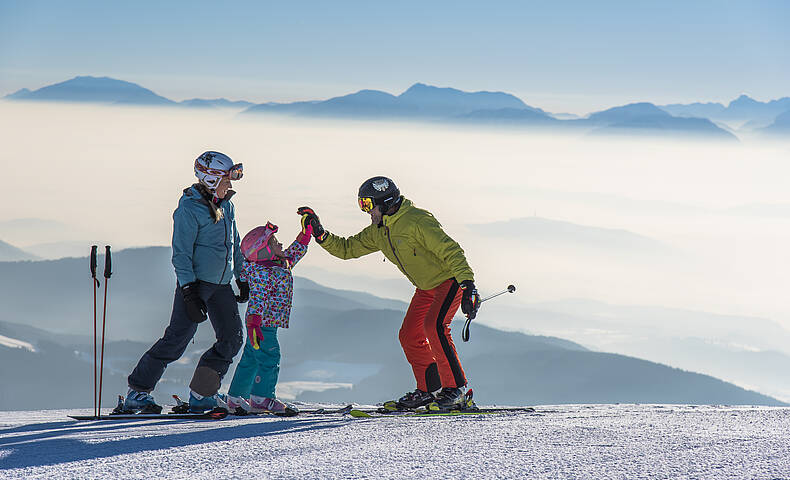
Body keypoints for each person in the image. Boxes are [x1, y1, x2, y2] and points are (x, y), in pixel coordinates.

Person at [298, 176, 481, 411]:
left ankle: (456, 390)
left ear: (384, 202)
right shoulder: (379, 230)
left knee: (434, 327)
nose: (366, 211)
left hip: (450, 281)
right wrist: (320, 233)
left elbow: (450, 249)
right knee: (409, 335)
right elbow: (347, 248)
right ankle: (429, 390)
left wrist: (468, 285)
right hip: (426, 287)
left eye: (367, 204)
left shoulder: (417, 221)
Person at [123, 151, 248, 413]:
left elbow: (234, 244)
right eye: (227, 179)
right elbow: (181, 254)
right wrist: (189, 291)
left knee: (232, 339)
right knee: (177, 340)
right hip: (197, 285)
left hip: (221, 285)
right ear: (211, 179)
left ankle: (202, 395)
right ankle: (138, 392)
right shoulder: (189, 210)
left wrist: (242, 277)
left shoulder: (228, 205)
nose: (231, 184)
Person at [225, 216, 312, 414]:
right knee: (270, 357)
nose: (280, 243)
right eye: (274, 242)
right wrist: (254, 324)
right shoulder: (263, 273)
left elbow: (292, 255)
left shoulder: (277, 265)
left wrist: (305, 235)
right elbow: (258, 298)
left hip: (261, 323)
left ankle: (236, 398)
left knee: (251, 358)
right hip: (262, 324)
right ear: (264, 251)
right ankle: (262, 398)